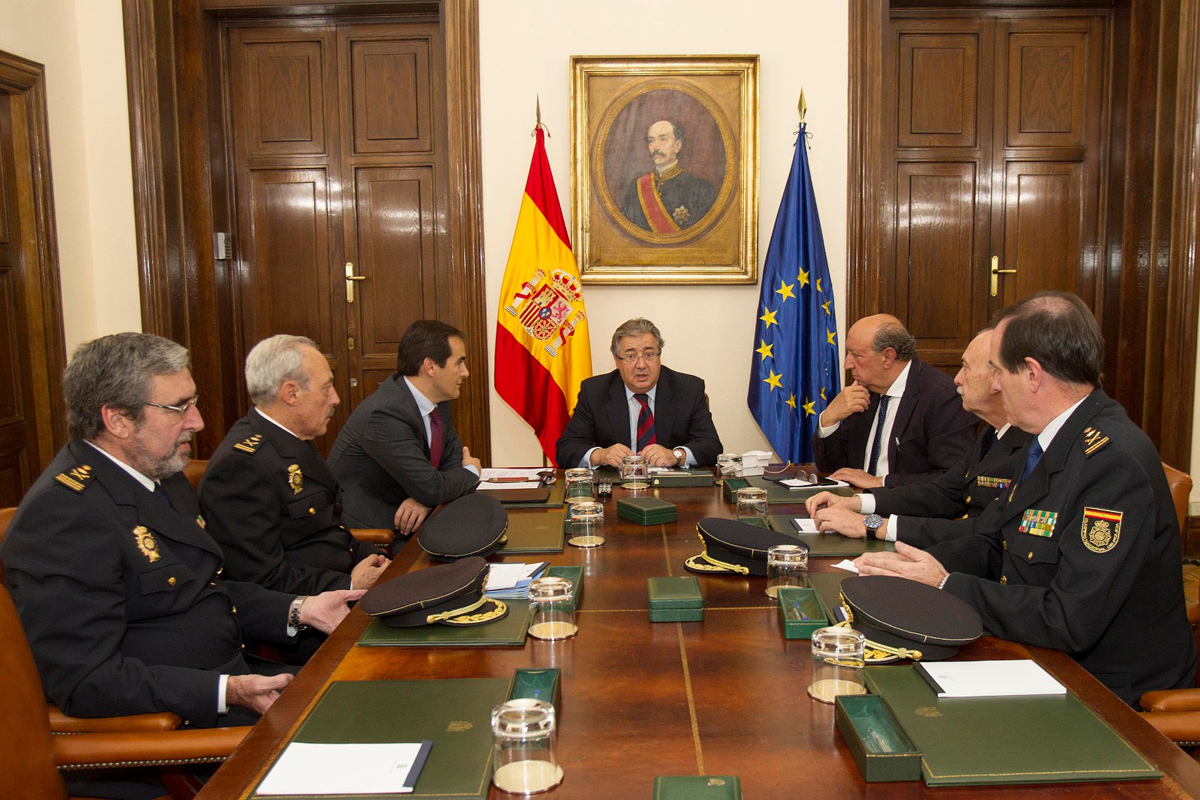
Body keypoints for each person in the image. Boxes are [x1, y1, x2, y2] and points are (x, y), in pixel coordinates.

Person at [1, 333, 362, 730]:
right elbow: (86, 681)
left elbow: (206, 592)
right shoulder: (63, 514)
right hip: (177, 728)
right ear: (118, 420)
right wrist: (226, 691)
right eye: (178, 408)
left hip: (240, 677)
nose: (198, 422)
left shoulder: (160, 476)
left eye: (193, 403)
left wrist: (299, 609)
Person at [856, 292, 1197, 707]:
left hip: (1103, 693)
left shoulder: (1112, 462)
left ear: (1032, 375)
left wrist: (946, 584)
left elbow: (1069, 618)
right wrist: (912, 569)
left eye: (998, 372)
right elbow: (992, 541)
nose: (993, 385)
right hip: (1033, 652)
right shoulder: (1046, 438)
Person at [200, 335, 390, 600]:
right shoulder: (242, 466)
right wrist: (347, 584)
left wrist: (370, 555)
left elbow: (328, 528)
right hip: (311, 614)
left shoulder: (294, 437)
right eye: (326, 388)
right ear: (291, 393)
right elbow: (258, 577)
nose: (335, 399)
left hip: (343, 584)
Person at [806, 327, 1030, 547]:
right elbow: (941, 492)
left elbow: (982, 529)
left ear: (998, 379)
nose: (957, 379)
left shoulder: (1029, 446)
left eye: (966, 367)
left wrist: (871, 524)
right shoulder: (992, 434)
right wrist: (856, 503)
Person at [329, 320, 481, 535]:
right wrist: (472, 471)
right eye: (459, 363)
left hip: (411, 520)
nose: (465, 372)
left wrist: (425, 497)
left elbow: (452, 460)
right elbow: (435, 485)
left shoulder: (438, 401)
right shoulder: (385, 414)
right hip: (372, 535)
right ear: (430, 367)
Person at [813, 314, 976, 488]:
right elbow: (833, 468)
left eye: (856, 355)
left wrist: (880, 482)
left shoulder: (942, 397)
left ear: (887, 357)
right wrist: (829, 418)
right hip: (854, 502)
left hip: (905, 510)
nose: (847, 364)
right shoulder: (863, 392)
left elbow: (950, 478)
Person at [556, 318, 722, 469]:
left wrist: (677, 455)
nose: (641, 364)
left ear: (659, 356)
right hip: (616, 491)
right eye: (630, 356)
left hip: (673, 491)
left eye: (649, 354)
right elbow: (566, 449)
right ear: (616, 360)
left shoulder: (688, 389)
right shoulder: (594, 392)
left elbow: (711, 446)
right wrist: (601, 455)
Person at [619, 120, 717, 233]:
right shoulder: (636, 187)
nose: (655, 147)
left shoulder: (701, 188)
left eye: (663, 139)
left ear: (677, 146)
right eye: (651, 141)